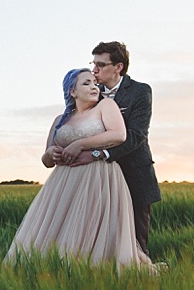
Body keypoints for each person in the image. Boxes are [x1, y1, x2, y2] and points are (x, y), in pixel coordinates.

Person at [4, 68, 155, 269]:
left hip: (99, 176)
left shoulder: (106, 106)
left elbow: (119, 134)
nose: (94, 86)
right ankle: (59, 268)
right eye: (86, 83)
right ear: (72, 91)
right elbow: (47, 160)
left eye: (94, 83)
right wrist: (51, 154)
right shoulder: (60, 120)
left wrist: (81, 144)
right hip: (64, 183)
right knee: (61, 230)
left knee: (91, 226)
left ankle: (93, 269)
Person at [62, 42, 161, 256]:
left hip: (134, 173)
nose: (94, 70)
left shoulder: (140, 91)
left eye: (100, 64)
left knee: (136, 241)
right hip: (94, 180)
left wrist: (99, 154)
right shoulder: (90, 93)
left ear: (118, 67)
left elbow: (137, 135)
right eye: (93, 64)